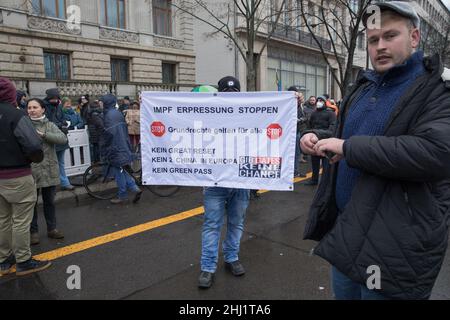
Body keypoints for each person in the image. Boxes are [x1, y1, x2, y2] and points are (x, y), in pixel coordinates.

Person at [300, 1, 450, 300]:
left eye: (390, 36)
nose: (380, 46)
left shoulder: (437, 89)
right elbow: (349, 136)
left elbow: (436, 152)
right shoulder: (364, 86)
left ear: (414, 37)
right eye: (372, 40)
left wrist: (347, 147)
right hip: (345, 233)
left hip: (393, 247)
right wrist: (317, 136)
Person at [198, 76, 250, 289]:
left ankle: (231, 258)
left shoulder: (249, 116)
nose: (231, 98)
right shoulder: (207, 117)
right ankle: (208, 267)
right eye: (227, 94)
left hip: (240, 182)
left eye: (235, 94)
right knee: (212, 225)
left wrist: (291, 102)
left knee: (236, 223)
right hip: (215, 182)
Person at [0, 77, 52, 276]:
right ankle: (23, 260)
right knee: (21, 220)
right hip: (17, 175)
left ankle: (4, 259)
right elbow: (32, 146)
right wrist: (34, 158)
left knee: (3, 219)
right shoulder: (16, 115)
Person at [27, 98, 67, 245]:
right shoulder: (24, 124)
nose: (32, 110)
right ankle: (33, 232)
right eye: (30, 107)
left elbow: (62, 139)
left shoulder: (49, 125)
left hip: (49, 169)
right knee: (31, 203)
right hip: (31, 170)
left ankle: (52, 229)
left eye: (35, 107)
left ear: (42, 109)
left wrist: (44, 135)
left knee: (49, 202)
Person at [99, 94, 142, 204]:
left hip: (115, 147)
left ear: (106, 103)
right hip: (123, 144)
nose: (100, 103)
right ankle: (134, 188)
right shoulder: (117, 113)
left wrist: (104, 148)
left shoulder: (108, 115)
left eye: (101, 101)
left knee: (119, 171)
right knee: (122, 169)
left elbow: (108, 134)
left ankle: (123, 195)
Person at [44, 88, 75, 191]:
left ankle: (64, 183)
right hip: (51, 139)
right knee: (51, 163)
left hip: (61, 139)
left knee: (60, 162)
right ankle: (53, 185)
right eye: (53, 98)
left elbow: (61, 119)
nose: (55, 100)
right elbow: (48, 123)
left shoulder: (58, 106)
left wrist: (64, 123)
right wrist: (61, 125)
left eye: (56, 98)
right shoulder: (44, 107)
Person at [302, 96, 336, 186]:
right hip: (314, 142)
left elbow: (332, 129)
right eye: (318, 100)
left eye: (321, 101)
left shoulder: (331, 114)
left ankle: (326, 182)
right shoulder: (314, 113)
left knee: (326, 164)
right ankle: (314, 180)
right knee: (315, 163)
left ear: (325, 102)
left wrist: (318, 134)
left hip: (326, 142)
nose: (318, 102)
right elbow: (310, 126)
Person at [287, 86, 307, 177]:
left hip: (297, 131)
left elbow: (302, 115)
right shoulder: (286, 104)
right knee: (289, 153)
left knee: (296, 153)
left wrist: (301, 119)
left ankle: (295, 171)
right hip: (288, 132)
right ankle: (290, 171)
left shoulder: (299, 105)